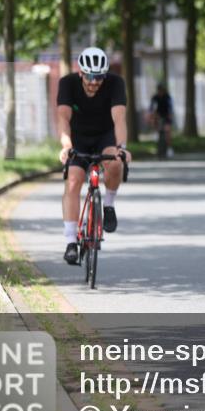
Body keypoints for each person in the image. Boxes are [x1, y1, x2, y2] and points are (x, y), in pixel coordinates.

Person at [56, 47, 132, 265]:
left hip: (105, 136)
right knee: (73, 181)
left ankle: (108, 205)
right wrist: (66, 146)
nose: (94, 82)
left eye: (99, 77)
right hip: (78, 137)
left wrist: (122, 147)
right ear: (81, 72)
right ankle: (71, 241)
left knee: (115, 164)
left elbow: (119, 118)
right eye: (89, 76)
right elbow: (63, 118)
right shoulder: (67, 83)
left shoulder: (116, 83)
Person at [148, 82, 174, 158]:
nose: (160, 92)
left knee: (167, 131)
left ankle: (169, 148)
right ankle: (156, 136)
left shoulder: (167, 97)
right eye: (159, 90)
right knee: (154, 122)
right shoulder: (155, 98)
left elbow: (170, 108)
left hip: (166, 116)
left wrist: (170, 116)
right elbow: (151, 108)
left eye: (161, 90)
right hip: (158, 117)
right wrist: (151, 116)